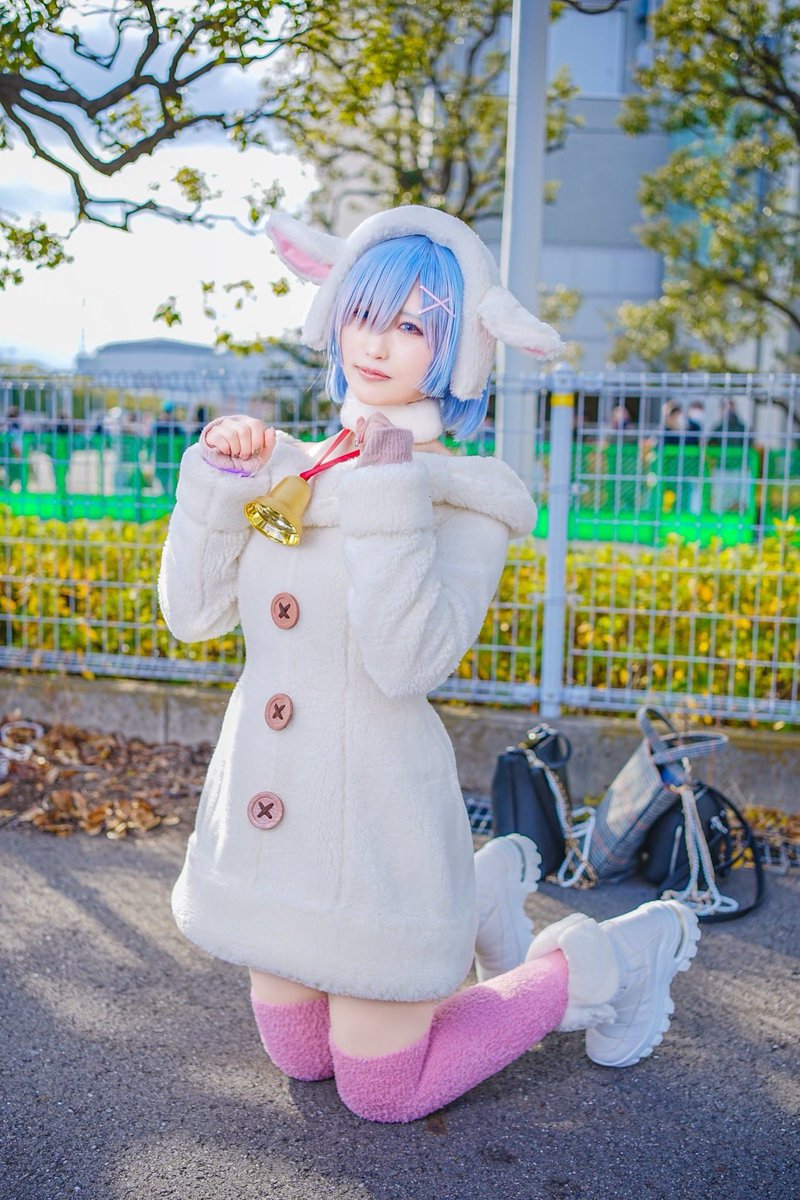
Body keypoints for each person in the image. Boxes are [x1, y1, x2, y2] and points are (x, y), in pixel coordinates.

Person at [158, 205, 700, 1124]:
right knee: (300, 1058)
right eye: (366, 313)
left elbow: (407, 662)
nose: (376, 344)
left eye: (413, 326)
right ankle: (482, 887)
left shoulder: (468, 502)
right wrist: (217, 480)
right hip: (271, 823)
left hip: (379, 822)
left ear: (458, 352)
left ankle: (602, 966)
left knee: (383, 1092)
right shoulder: (287, 466)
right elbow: (192, 616)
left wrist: (389, 495)